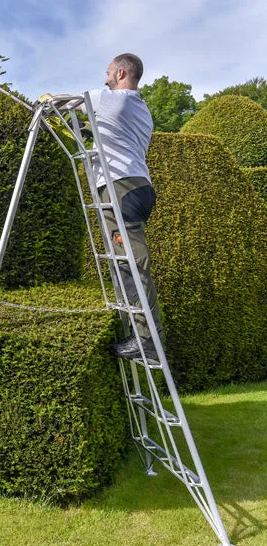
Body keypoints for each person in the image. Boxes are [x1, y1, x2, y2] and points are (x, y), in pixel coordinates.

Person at [81, 53, 164, 360]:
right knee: (125, 261)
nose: (105, 79)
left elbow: (68, 102)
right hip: (139, 186)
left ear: (120, 73)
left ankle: (147, 339)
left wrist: (45, 102)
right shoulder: (139, 109)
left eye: (107, 74)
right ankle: (142, 334)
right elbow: (114, 137)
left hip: (120, 188)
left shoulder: (112, 100)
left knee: (131, 261)